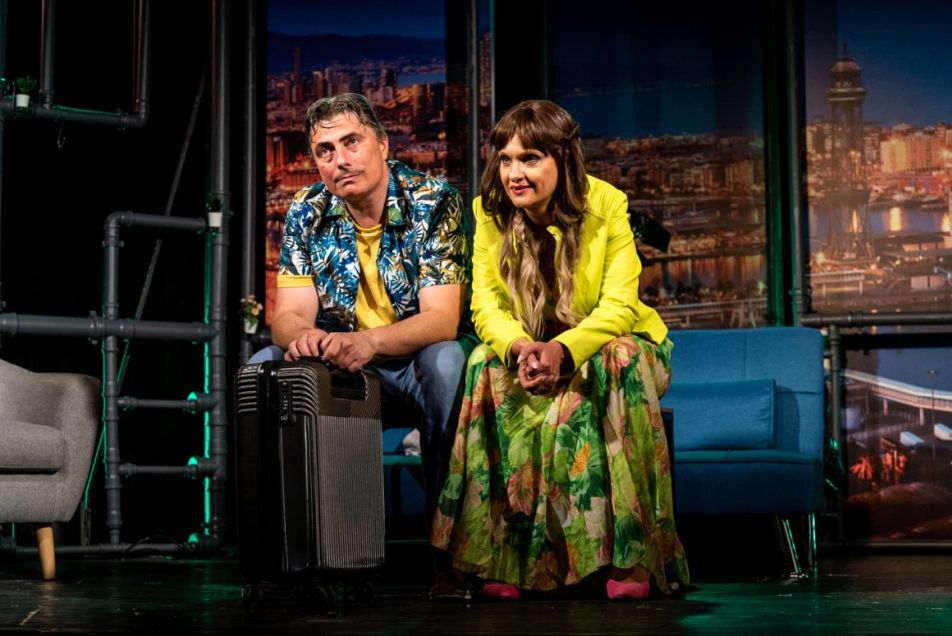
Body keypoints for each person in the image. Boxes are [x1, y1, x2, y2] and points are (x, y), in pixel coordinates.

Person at [431, 100, 689, 600]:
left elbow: (619, 306)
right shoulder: (489, 213)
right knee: (484, 361)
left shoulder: (607, 204)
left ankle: (634, 559)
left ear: (563, 158)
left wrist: (564, 351)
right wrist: (520, 347)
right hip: (532, 350)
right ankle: (505, 560)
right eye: (506, 160)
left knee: (619, 357)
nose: (514, 173)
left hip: (616, 350)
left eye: (529, 158)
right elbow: (485, 304)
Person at [249, 93, 473, 598]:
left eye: (352, 142)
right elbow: (287, 316)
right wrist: (304, 337)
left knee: (447, 361)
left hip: (413, 360)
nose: (340, 159)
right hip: (346, 366)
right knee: (266, 365)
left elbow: (441, 320)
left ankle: (450, 560)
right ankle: (289, 562)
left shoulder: (434, 201)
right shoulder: (307, 209)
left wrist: (367, 342)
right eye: (325, 150)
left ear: (383, 144)